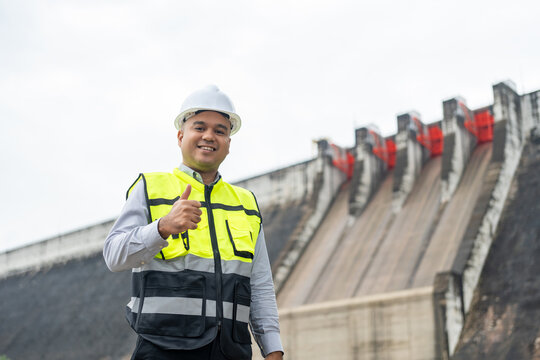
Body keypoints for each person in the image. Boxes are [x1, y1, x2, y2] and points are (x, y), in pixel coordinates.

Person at [103, 85, 284, 360]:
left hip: (231, 352)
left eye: (220, 130)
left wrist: (272, 348)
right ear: (180, 136)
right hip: (163, 349)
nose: (209, 136)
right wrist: (162, 227)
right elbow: (114, 256)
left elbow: (259, 285)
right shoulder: (150, 188)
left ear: (228, 143)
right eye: (199, 127)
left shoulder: (245, 203)